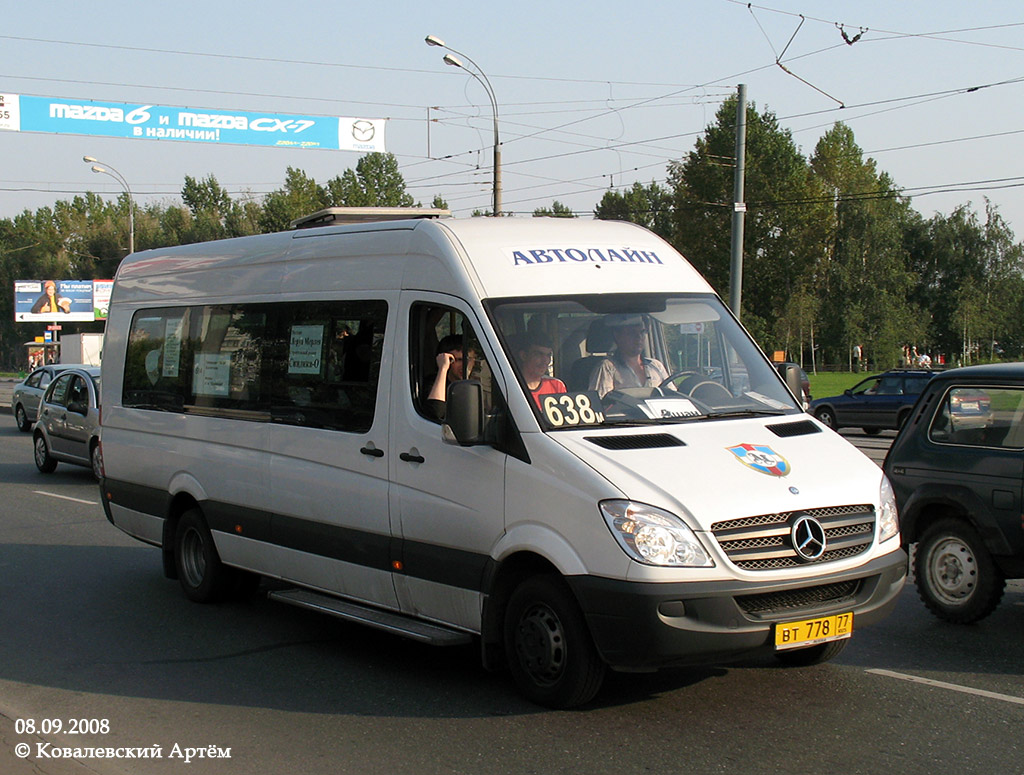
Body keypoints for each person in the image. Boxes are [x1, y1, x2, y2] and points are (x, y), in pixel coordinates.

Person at [589, 315, 669, 397]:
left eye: (642, 332)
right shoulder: (607, 367)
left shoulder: (655, 366)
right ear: (618, 336)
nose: (639, 337)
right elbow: (601, 403)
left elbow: (673, 396)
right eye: (632, 333)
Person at [425, 334, 478, 421]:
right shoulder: (434, 384)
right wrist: (443, 368)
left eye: (469, 360)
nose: (465, 365)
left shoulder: (476, 384)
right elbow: (435, 413)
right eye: (459, 360)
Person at [515, 331, 567, 409]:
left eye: (548, 355)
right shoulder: (512, 386)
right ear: (524, 356)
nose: (545, 360)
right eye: (538, 354)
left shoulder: (556, 386)